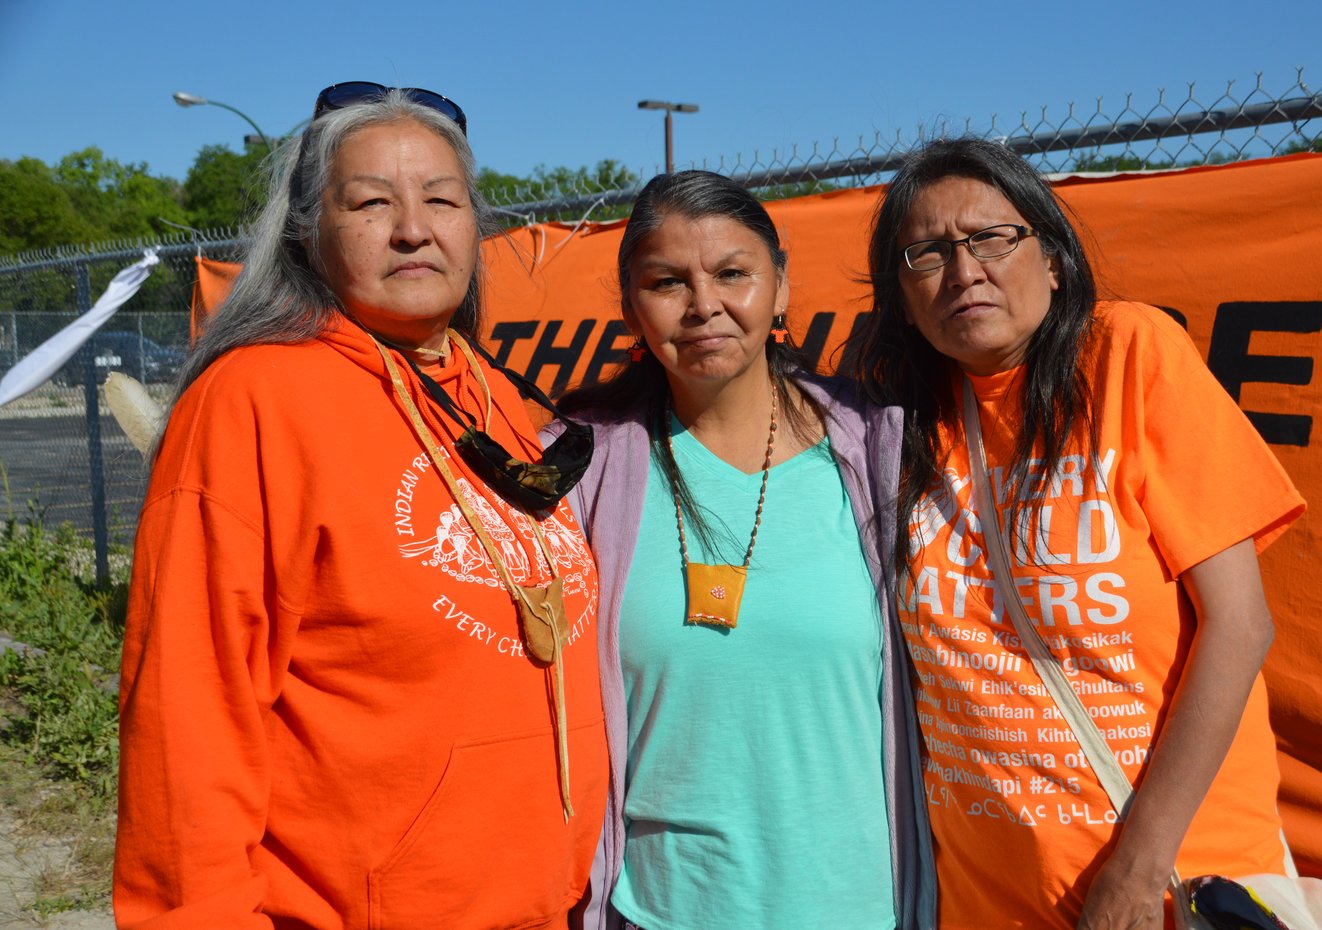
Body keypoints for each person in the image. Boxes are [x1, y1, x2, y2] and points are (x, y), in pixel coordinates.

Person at [114, 83, 607, 929]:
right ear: (308, 231)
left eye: (441, 199)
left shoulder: (485, 389)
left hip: (542, 906)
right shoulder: (253, 400)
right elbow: (186, 721)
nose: (413, 227)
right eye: (372, 202)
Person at [848, 137, 1306, 930]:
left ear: (1052, 259)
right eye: (926, 254)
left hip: (1174, 884)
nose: (963, 273)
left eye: (990, 238)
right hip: (986, 899)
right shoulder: (894, 428)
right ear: (903, 296)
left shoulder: (1130, 354)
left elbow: (1240, 625)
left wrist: (1142, 861)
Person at [547, 170, 935, 930]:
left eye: (733, 274)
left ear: (781, 286)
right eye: (667, 282)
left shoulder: (880, 450)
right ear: (631, 304)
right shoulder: (580, 470)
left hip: (859, 908)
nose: (704, 306)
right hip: (658, 910)